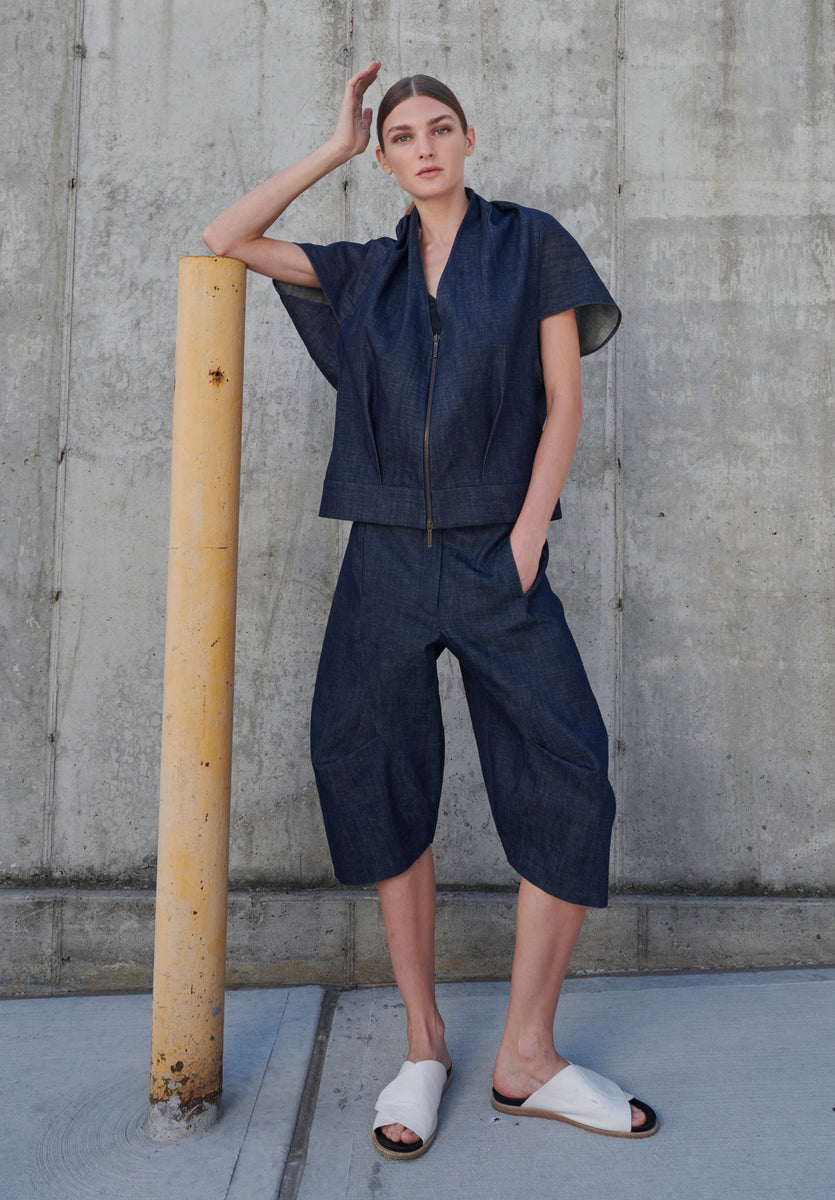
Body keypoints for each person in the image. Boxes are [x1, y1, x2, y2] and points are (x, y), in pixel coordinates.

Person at [204, 61, 657, 1158]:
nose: (422, 147)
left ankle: (528, 1057)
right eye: (400, 135)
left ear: (467, 140)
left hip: (497, 555)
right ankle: (424, 1045)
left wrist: (528, 531)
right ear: (387, 154)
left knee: (567, 767)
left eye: (437, 127)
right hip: (383, 561)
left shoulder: (529, 243)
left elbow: (564, 401)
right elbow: (228, 237)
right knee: (372, 768)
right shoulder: (365, 273)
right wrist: (332, 142)